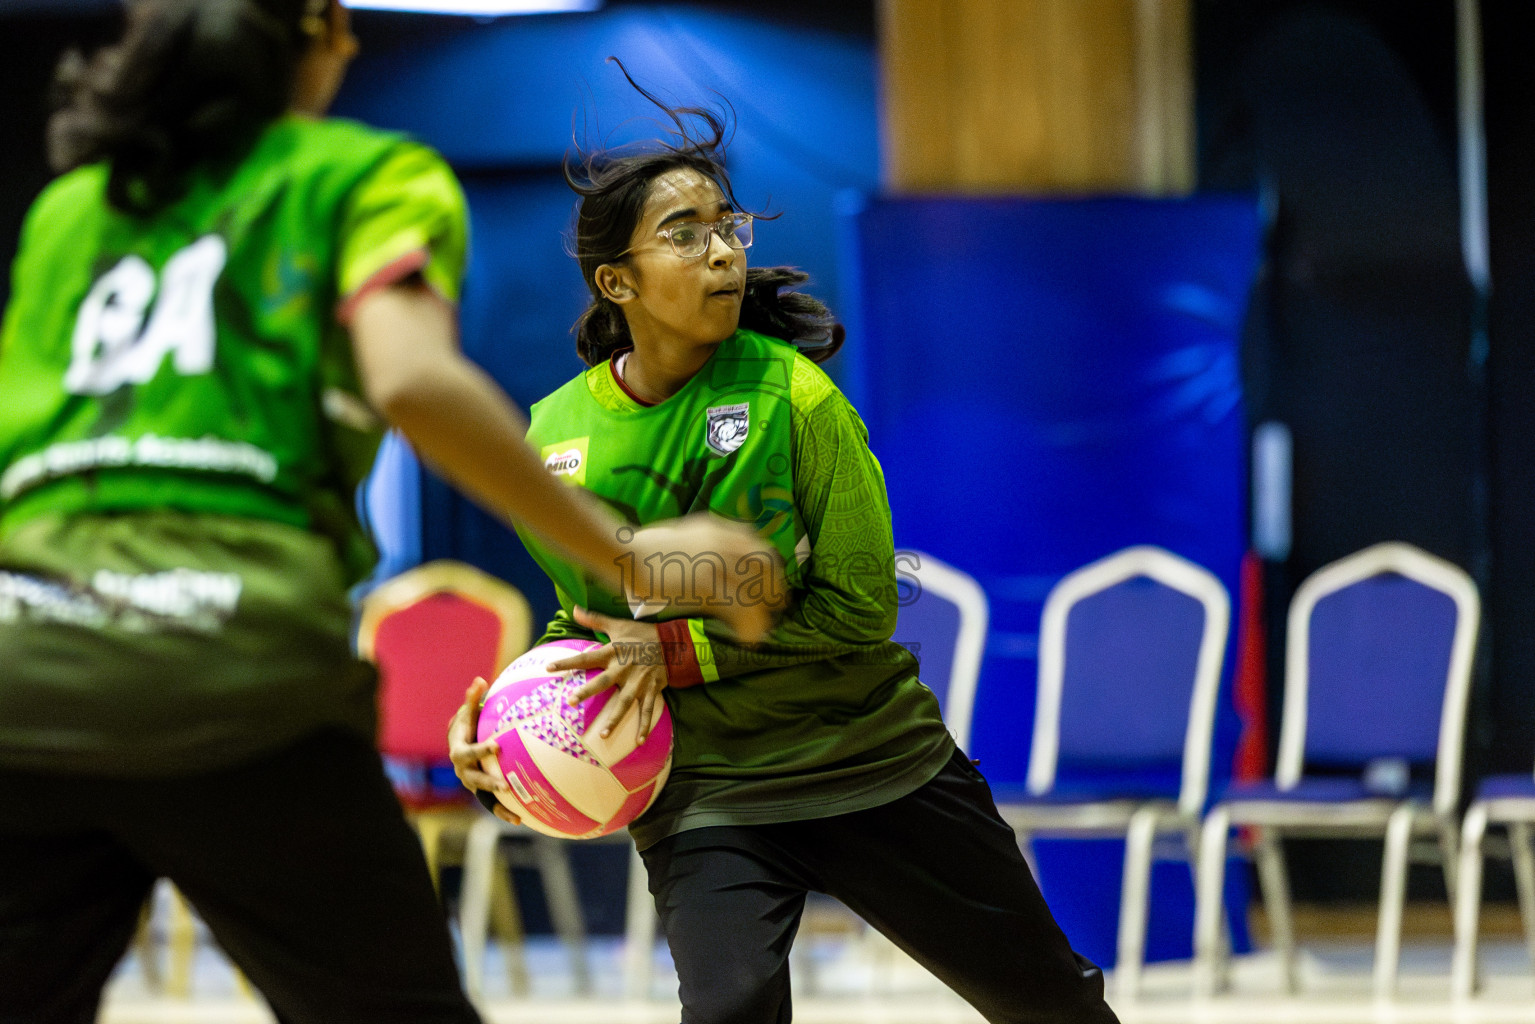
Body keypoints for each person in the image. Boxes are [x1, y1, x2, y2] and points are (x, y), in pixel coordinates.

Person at [0, 6, 777, 1022]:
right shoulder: (363, 174)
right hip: (235, 669)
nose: (356, 45)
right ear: (311, 28)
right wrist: (627, 551)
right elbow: (412, 382)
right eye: (342, 23)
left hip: (28, 675)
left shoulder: (74, 208)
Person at [448, 65, 1122, 1024]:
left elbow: (861, 606)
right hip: (710, 790)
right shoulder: (555, 439)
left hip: (871, 764)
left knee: (1051, 1005)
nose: (722, 251)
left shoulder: (796, 398)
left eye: (729, 226)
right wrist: (505, 743)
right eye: (686, 234)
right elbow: (588, 620)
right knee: (729, 1011)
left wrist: (678, 652)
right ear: (616, 280)